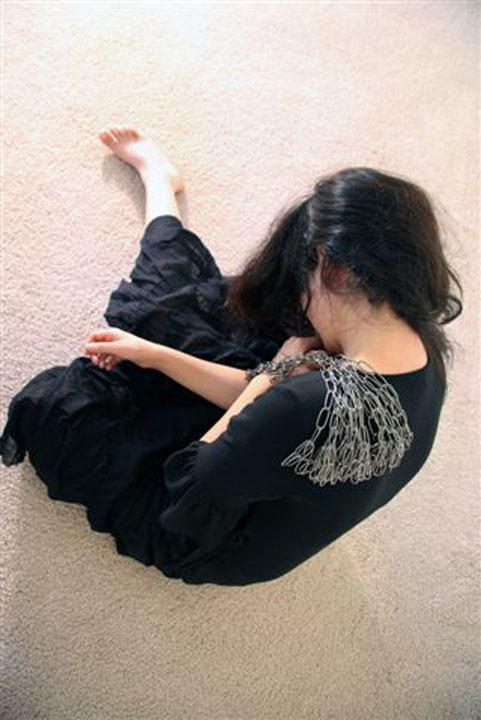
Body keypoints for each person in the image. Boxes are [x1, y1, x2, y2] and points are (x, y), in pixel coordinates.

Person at [0, 128, 463, 586]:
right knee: (170, 322)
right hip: (267, 458)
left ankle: (160, 184)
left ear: (337, 271)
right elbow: (270, 406)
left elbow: (185, 488)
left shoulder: (298, 401)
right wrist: (156, 356)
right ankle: (160, 185)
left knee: (56, 408)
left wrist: (272, 375)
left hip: (201, 531)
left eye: (305, 270)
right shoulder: (424, 354)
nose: (298, 285)